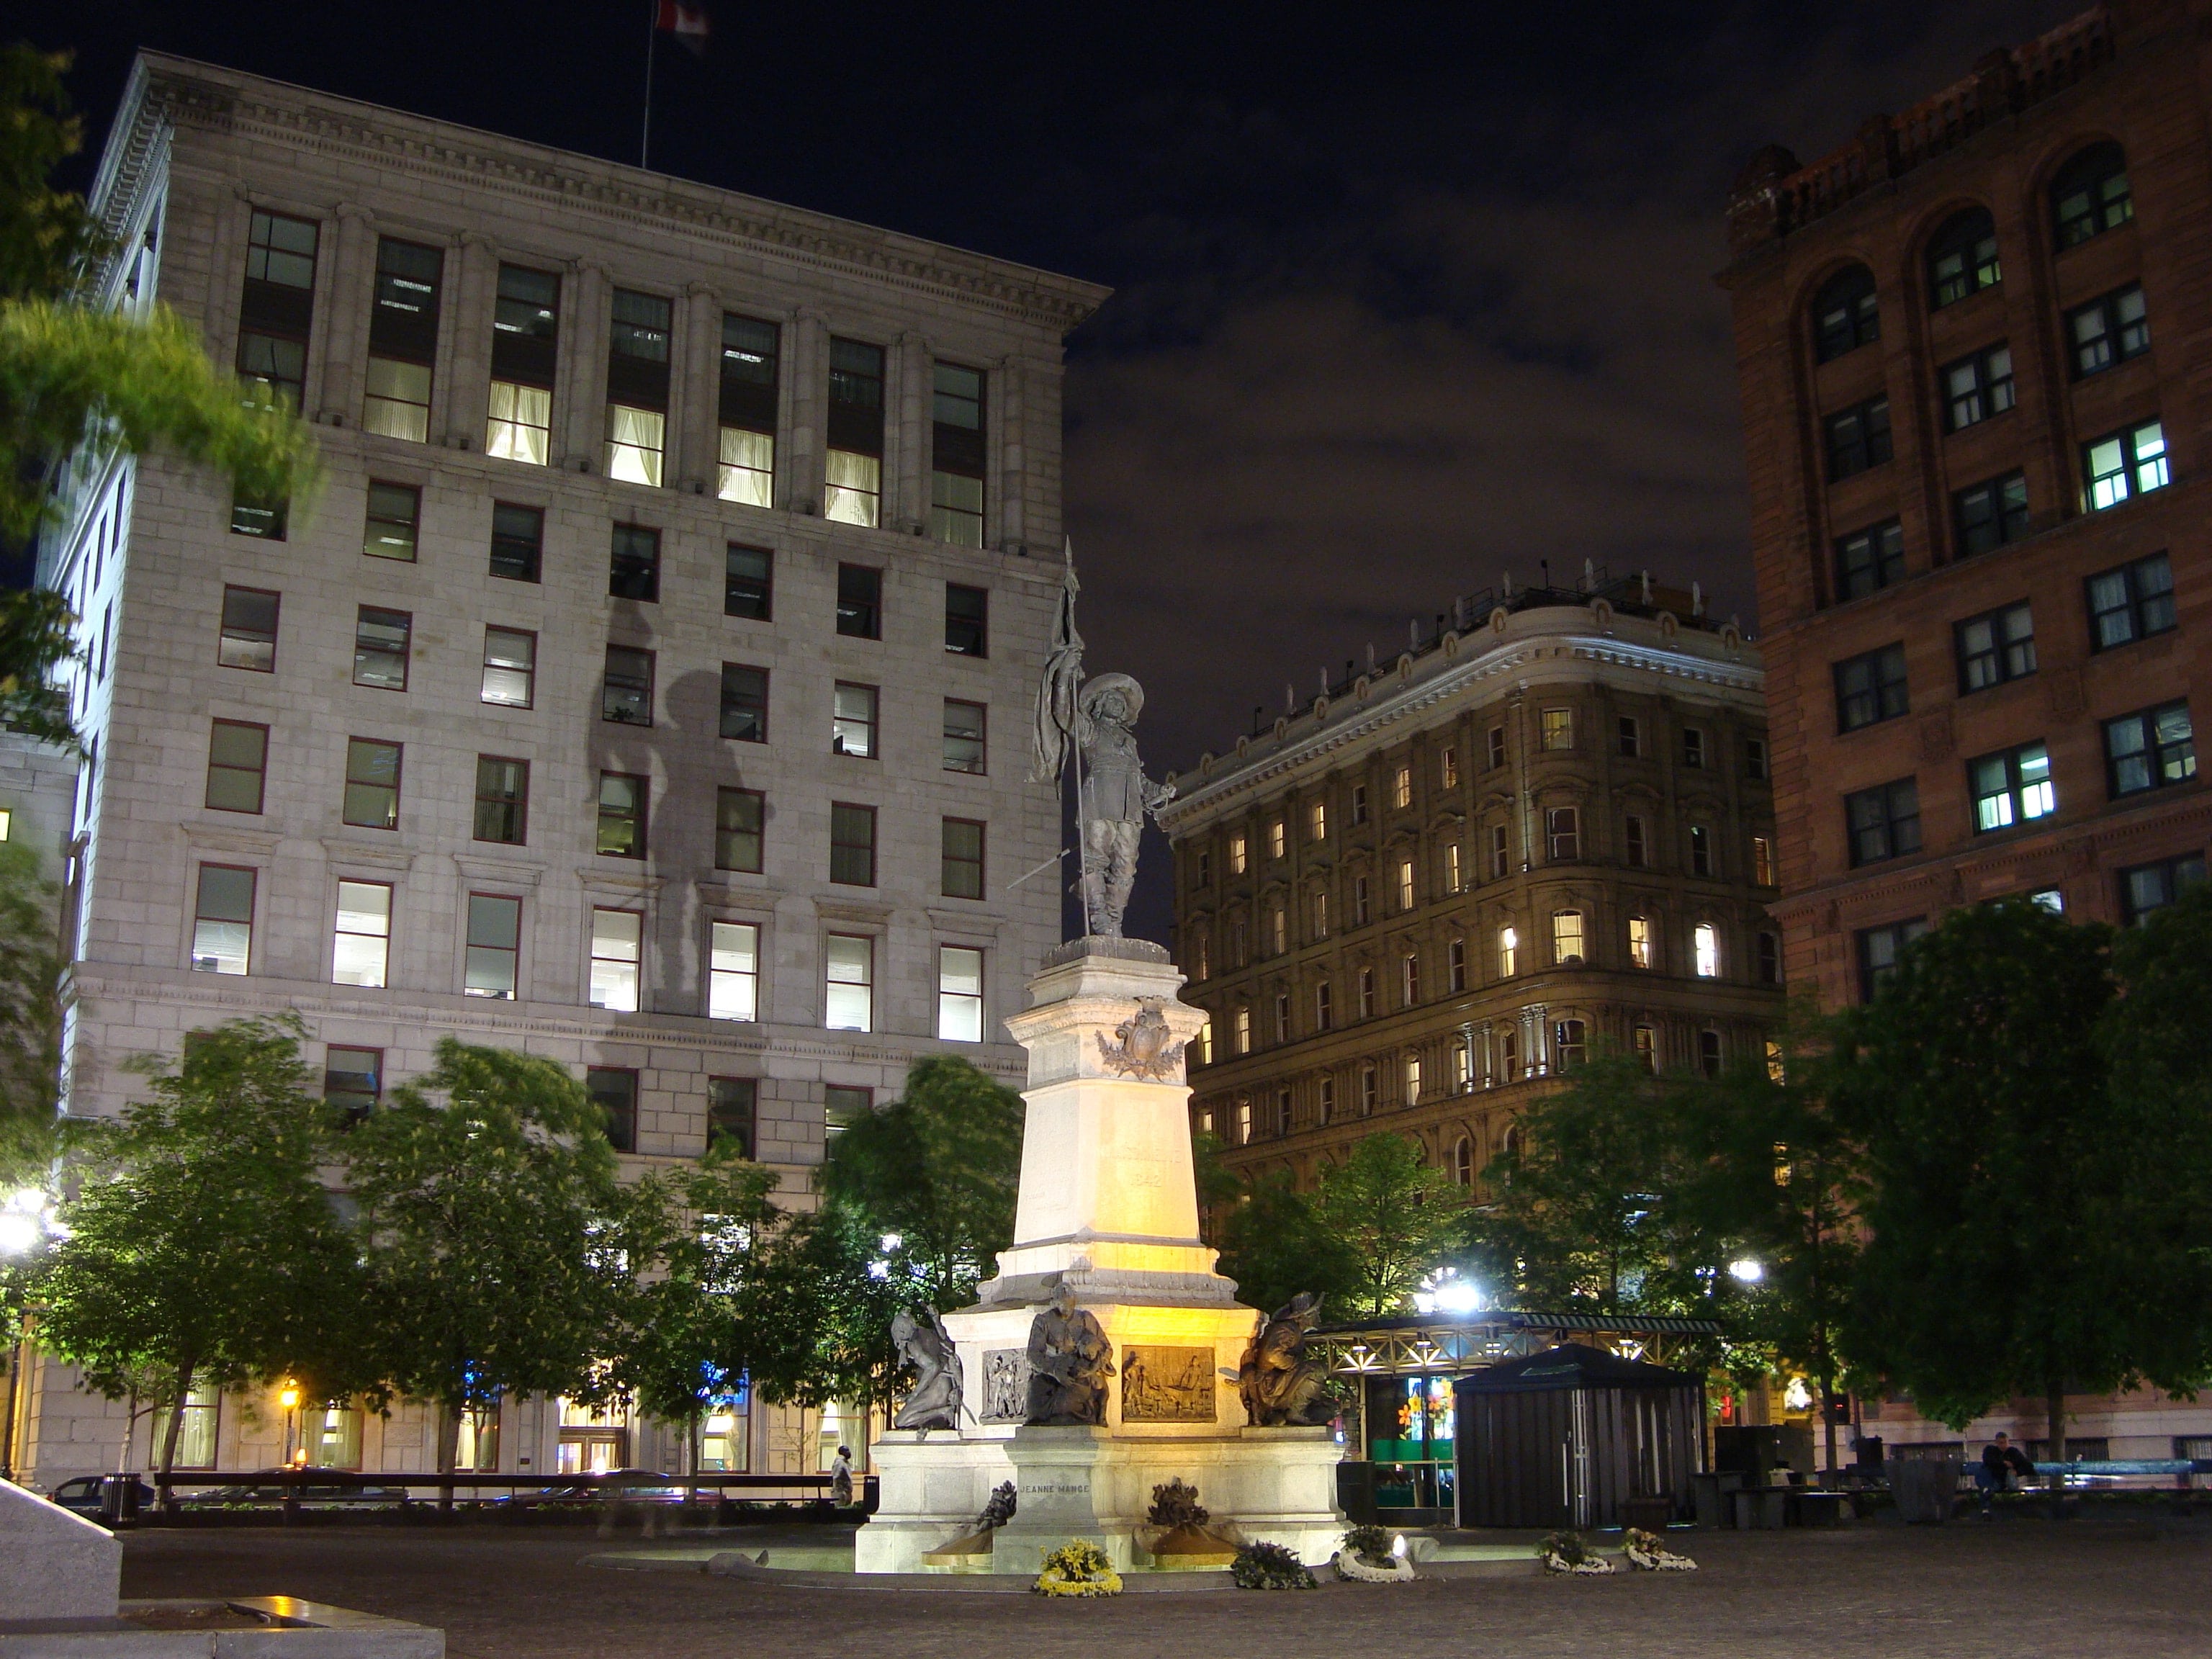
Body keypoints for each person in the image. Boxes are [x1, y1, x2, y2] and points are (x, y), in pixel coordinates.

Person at [1977, 1431, 2034, 1516]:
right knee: (1985, 1475)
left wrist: (2017, 1472)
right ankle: (1985, 1505)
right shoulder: (1991, 1451)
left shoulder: (2013, 1452)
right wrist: (2003, 1463)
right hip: (1992, 1478)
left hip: (2002, 1480)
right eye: (2001, 1443)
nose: (2003, 1445)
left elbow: (2028, 1466)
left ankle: (1986, 1506)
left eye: (2005, 1443)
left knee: (1989, 1486)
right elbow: (1988, 1461)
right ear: (1996, 1443)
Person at [830, 1445, 854, 1509]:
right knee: (840, 1510)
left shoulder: (845, 1462)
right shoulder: (840, 1462)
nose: (849, 1452)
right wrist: (837, 1489)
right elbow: (835, 1476)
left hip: (846, 1492)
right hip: (840, 1492)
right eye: (847, 1450)